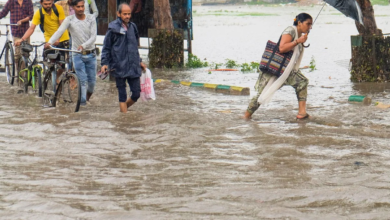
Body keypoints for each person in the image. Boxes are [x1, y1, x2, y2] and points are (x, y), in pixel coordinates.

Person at [243, 13, 312, 120]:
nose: (310, 27)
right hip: (275, 69)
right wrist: (298, 41)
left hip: (286, 69)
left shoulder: (299, 34)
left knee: (302, 82)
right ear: (299, 23)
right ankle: (246, 117)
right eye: (308, 24)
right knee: (262, 95)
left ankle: (302, 113)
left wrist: (301, 41)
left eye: (311, 25)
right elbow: (282, 48)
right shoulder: (290, 30)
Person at [46, 0, 96, 106]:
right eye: (78, 7)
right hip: (77, 54)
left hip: (91, 54)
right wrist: (49, 42)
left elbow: (93, 37)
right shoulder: (69, 20)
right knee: (82, 80)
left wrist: (84, 46)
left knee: (91, 83)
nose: (81, 9)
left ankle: (85, 99)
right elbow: (59, 31)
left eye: (82, 6)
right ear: (73, 7)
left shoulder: (91, 18)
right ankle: (82, 104)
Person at [101, 3, 146, 113]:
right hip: (119, 65)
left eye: (129, 14)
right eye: (125, 14)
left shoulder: (133, 27)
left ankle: (123, 111)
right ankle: (124, 119)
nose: (127, 16)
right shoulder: (113, 28)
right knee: (122, 94)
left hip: (133, 65)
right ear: (118, 14)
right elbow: (106, 47)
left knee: (136, 93)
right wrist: (104, 63)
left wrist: (139, 61)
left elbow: (134, 47)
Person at [15, 0, 70, 91]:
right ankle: (49, 78)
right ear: (41, 3)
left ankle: (55, 77)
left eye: (50, 4)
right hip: (49, 40)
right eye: (45, 4)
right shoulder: (39, 13)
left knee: (62, 67)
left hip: (62, 39)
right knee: (51, 63)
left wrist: (58, 39)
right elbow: (32, 28)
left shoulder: (58, 9)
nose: (48, 6)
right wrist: (22, 39)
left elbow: (62, 26)